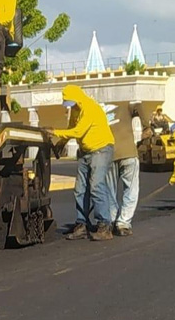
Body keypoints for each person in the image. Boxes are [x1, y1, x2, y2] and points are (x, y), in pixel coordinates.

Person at [52, 85, 115, 241]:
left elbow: (79, 131)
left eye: (71, 102)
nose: (70, 106)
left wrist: (53, 132)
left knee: (96, 186)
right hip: (86, 151)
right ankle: (82, 224)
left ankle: (104, 226)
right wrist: (61, 142)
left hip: (101, 149)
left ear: (78, 97)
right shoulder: (75, 109)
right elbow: (71, 127)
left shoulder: (90, 108)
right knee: (80, 189)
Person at [104, 102, 146, 236]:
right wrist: (147, 127)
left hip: (109, 155)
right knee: (131, 188)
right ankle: (123, 223)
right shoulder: (125, 105)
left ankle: (111, 219)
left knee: (110, 190)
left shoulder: (100, 112)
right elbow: (138, 106)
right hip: (128, 153)